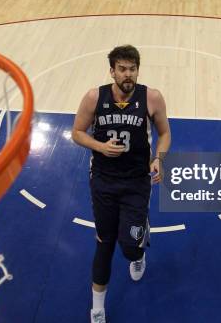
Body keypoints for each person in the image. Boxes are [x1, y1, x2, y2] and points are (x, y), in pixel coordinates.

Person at [72, 45, 171, 323]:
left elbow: (164, 134)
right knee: (104, 243)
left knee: (129, 248)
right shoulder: (95, 97)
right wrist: (99, 146)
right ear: (112, 71)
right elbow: (77, 132)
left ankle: (139, 249)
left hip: (137, 182)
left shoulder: (151, 97)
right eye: (123, 69)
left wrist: (159, 159)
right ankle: (98, 308)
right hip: (103, 181)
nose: (128, 75)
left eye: (133, 69)